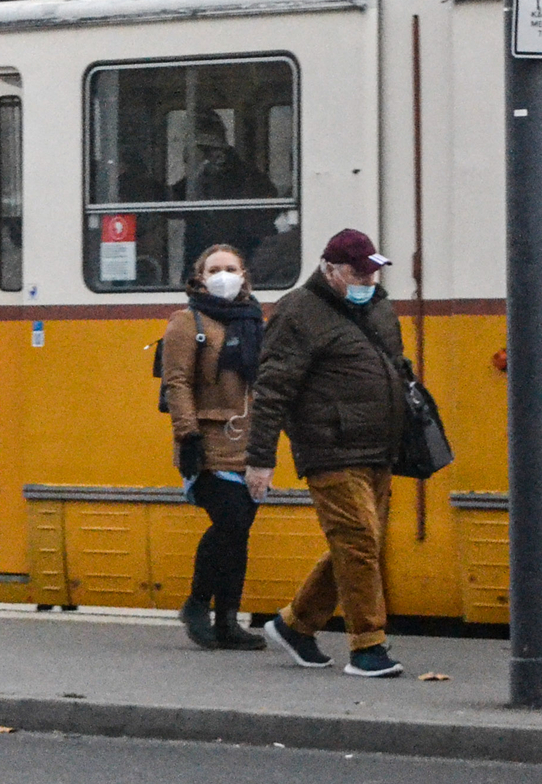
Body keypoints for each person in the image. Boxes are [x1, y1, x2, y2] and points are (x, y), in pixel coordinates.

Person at [243, 228, 413, 677]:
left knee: (361, 543)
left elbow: (394, 364)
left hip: (379, 447)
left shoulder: (376, 305)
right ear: (330, 269)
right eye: (358, 274)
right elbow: (273, 389)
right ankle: (367, 646)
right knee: (357, 543)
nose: (368, 283)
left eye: (373, 274)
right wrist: (260, 459)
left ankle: (296, 625)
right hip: (330, 447)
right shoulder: (298, 312)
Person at [161, 244, 264, 650]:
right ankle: (197, 604)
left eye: (231, 268)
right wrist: (187, 436)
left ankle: (227, 621)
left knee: (239, 532)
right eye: (215, 269)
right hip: (206, 442)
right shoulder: (187, 322)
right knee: (231, 521)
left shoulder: (255, 320)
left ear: (244, 275)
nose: (224, 275)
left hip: (249, 444)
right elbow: (177, 383)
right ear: (200, 277)